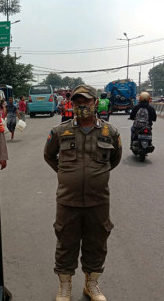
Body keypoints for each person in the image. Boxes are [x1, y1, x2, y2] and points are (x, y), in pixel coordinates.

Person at [43, 84, 122, 301]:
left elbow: (114, 159)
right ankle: (65, 287)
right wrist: (67, 174)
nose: (81, 105)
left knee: (96, 242)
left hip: (98, 201)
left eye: (86, 101)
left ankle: (91, 285)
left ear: (95, 103)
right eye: (77, 101)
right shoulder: (60, 131)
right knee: (66, 243)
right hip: (68, 200)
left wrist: (97, 175)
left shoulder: (110, 132)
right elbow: (49, 156)